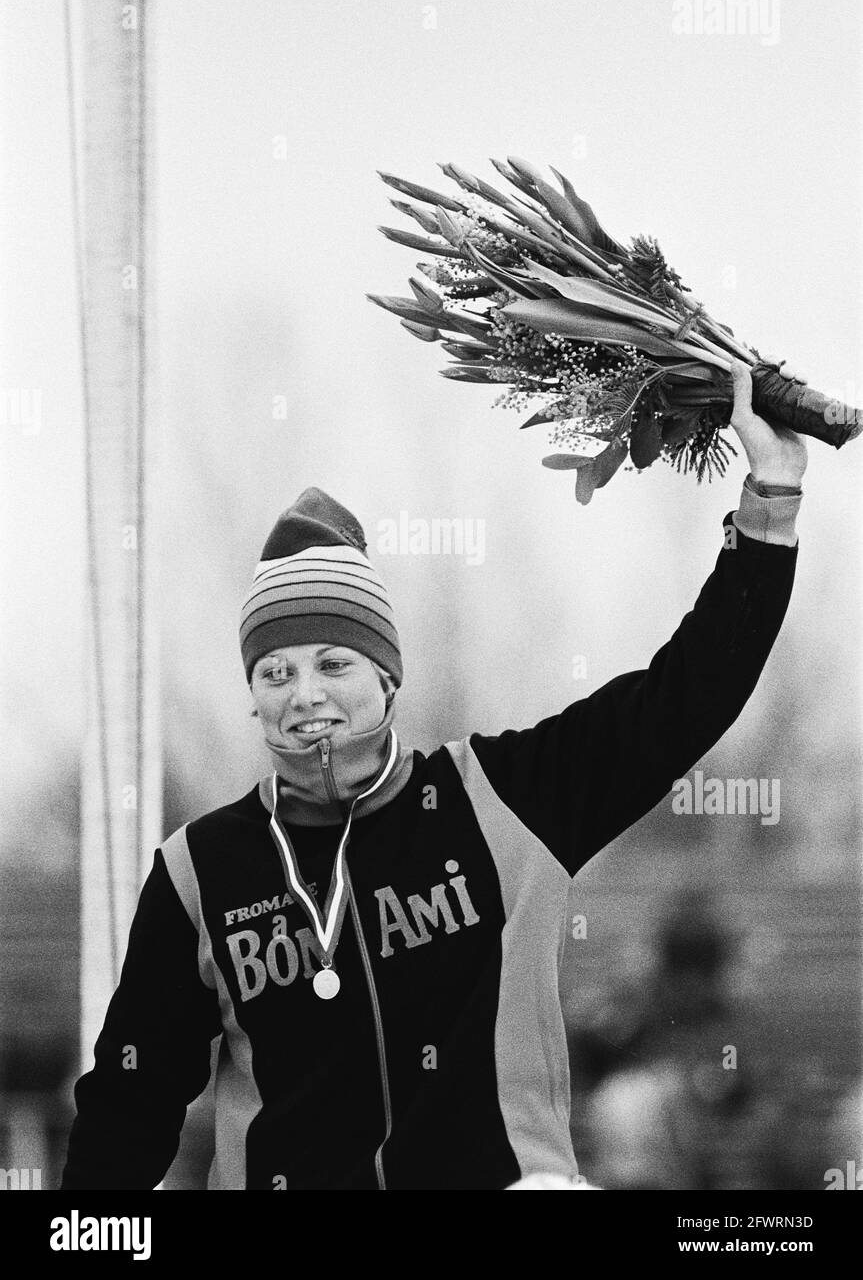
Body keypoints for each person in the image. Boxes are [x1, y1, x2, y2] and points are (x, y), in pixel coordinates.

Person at [60, 362, 806, 1191]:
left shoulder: (497, 800)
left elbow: (684, 701)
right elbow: (130, 1101)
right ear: (253, 699)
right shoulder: (199, 872)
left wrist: (769, 503)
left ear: (387, 677)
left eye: (333, 662)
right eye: (274, 673)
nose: (305, 696)